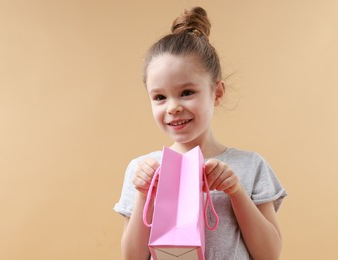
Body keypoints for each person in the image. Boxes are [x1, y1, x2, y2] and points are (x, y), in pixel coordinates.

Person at [114, 6, 287, 260]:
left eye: (187, 92)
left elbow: (269, 254)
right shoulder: (141, 170)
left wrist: (236, 191)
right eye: (160, 97)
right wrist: (144, 194)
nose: (173, 107)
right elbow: (132, 257)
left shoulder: (251, 166)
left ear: (216, 93)